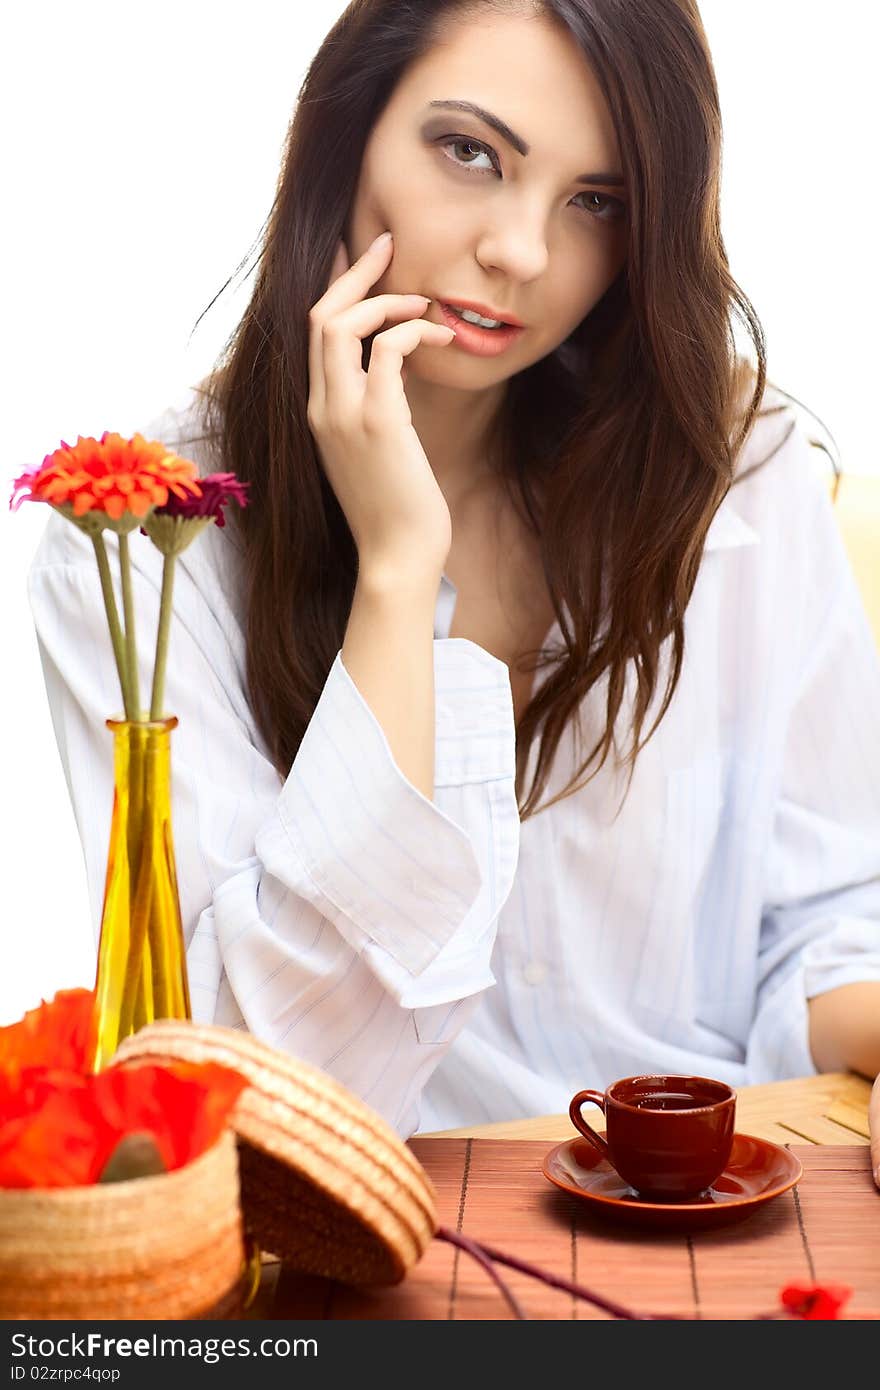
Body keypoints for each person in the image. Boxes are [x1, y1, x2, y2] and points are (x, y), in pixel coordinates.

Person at [27, 0, 880, 1161]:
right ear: (345, 133)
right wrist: (396, 571)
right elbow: (261, 1080)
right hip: (375, 1249)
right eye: (469, 152)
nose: (522, 251)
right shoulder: (140, 538)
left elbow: (830, 923)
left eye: (597, 202)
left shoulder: (735, 471)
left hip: (717, 1215)